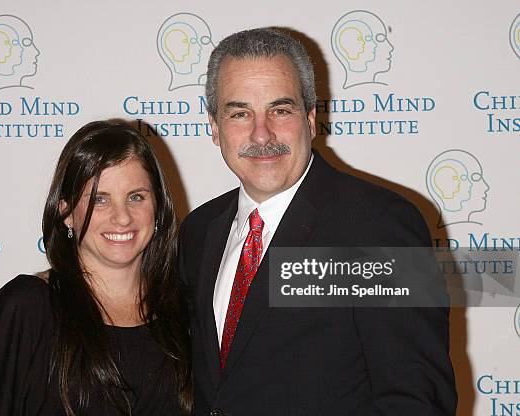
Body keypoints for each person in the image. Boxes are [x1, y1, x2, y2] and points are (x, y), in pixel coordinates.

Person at [178, 28, 457, 415]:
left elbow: (416, 400)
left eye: (280, 109)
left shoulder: (382, 226)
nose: (262, 135)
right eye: (240, 113)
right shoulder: (198, 230)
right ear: (214, 125)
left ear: (310, 118)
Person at [0, 121, 191, 415]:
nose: (122, 218)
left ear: (158, 207)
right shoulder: (27, 308)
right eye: (100, 199)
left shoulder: (186, 312)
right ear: (67, 213)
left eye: (136, 197)